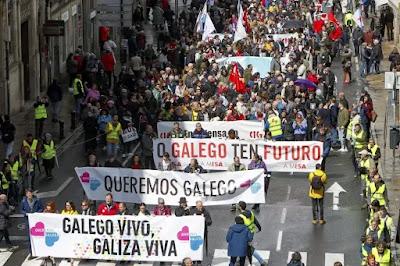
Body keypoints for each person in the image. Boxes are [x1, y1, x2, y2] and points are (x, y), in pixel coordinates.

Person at [237, 201, 267, 266]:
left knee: (249, 249)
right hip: (251, 233)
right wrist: (259, 228)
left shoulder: (240, 217)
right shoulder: (250, 212)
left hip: (245, 235)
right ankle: (240, 259)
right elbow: (255, 221)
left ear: (240, 207)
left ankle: (262, 261)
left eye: (238, 206)